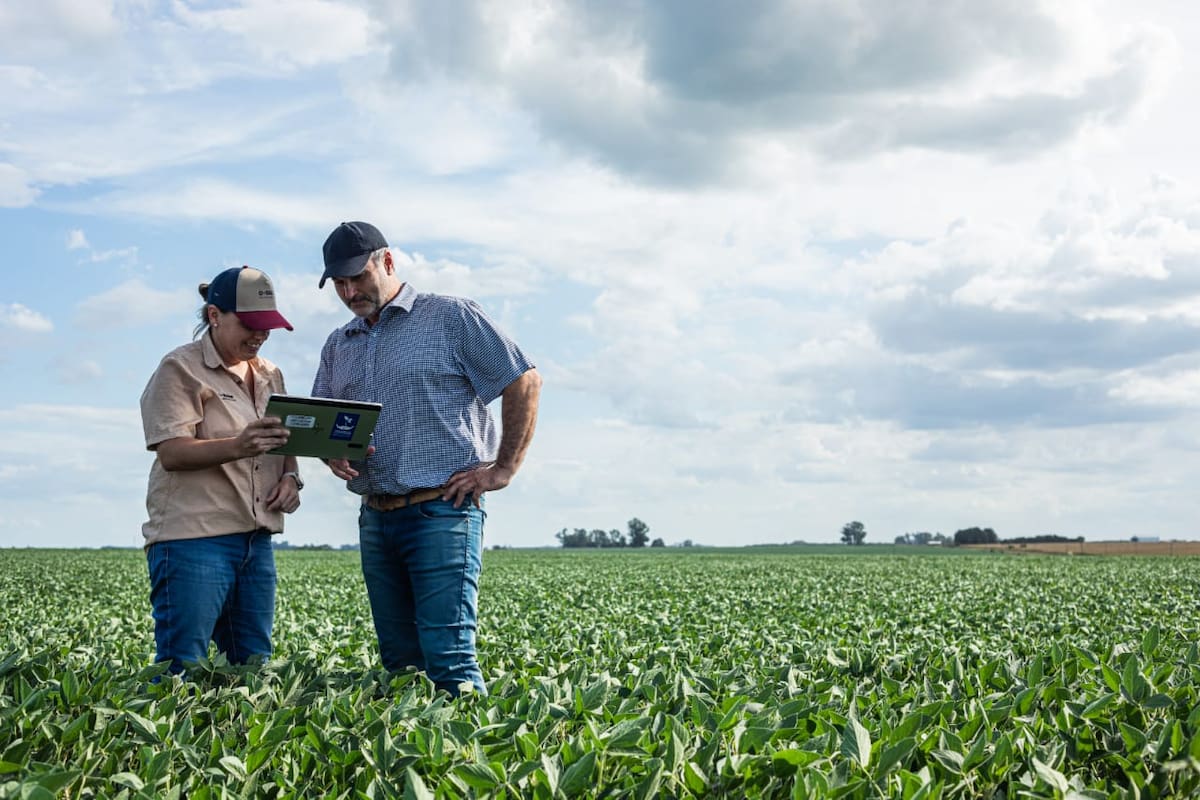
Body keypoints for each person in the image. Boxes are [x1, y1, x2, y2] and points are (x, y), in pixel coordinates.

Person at [312, 221, 542, 695]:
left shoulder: (450, 318)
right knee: (399, 665)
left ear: (388, 262)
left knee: (450, 661)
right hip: (375, 517)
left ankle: (472, 761)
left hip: (443, 511)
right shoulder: (340, 343)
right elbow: (325, 421)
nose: (350, 291)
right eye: (339, 283)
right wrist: (331, 453)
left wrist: (502, 469)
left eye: (358, 277)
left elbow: (523, 380)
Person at [140, 265, 302, 674]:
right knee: (184, 667)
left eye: (267, 326)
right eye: (250, 325)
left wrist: (290, 478)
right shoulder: (179, 369)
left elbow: (284, 442)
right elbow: (172, 452)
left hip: (256, 540)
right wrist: (236, 445)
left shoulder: (270, 373)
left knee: (253, 667)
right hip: (193, 540)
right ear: (214, 315)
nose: (260, 335)